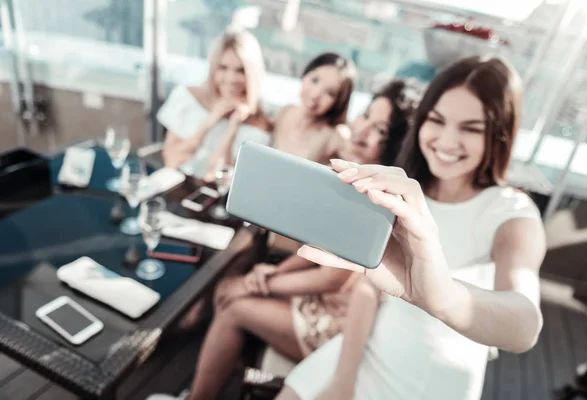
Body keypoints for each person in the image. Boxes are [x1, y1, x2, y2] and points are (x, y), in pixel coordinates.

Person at [277, 56, 547, 400]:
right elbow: (366, 292)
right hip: (368, 346)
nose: (448, 141)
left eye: (471, 128)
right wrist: (343, 381)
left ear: (500, 135)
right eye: (437, 120)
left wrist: (441, 295)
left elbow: (525, 324)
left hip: (433, 376)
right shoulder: (404, 190)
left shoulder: (509, 212)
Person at [146, 80, 415, 400]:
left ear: (396, 144)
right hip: (317, 299)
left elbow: (331, 278)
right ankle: (220, 373)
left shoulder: (375, 201)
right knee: (226, 293)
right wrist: (272, 274)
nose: (361, 131)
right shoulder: (354, 179)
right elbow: (319, 246)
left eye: (380, 131)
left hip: (338, 323)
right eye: (365, 116)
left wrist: (261, 283)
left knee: (232, 304)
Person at [158, 27, 271, 179]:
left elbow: (216, 178)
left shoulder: (259, 126)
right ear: (213, 69)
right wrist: (211, 119)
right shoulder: (188, 97)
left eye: (240, 70)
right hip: (176, 187)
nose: (231, 79)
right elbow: (171, 161)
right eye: (223, 68)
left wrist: (233, 127)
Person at [271, 52, 356, 164]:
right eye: (314, 80)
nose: (315, 95)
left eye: (330, 93)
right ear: (305, 75)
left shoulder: (335, 135)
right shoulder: (286, 111)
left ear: (338, 102)